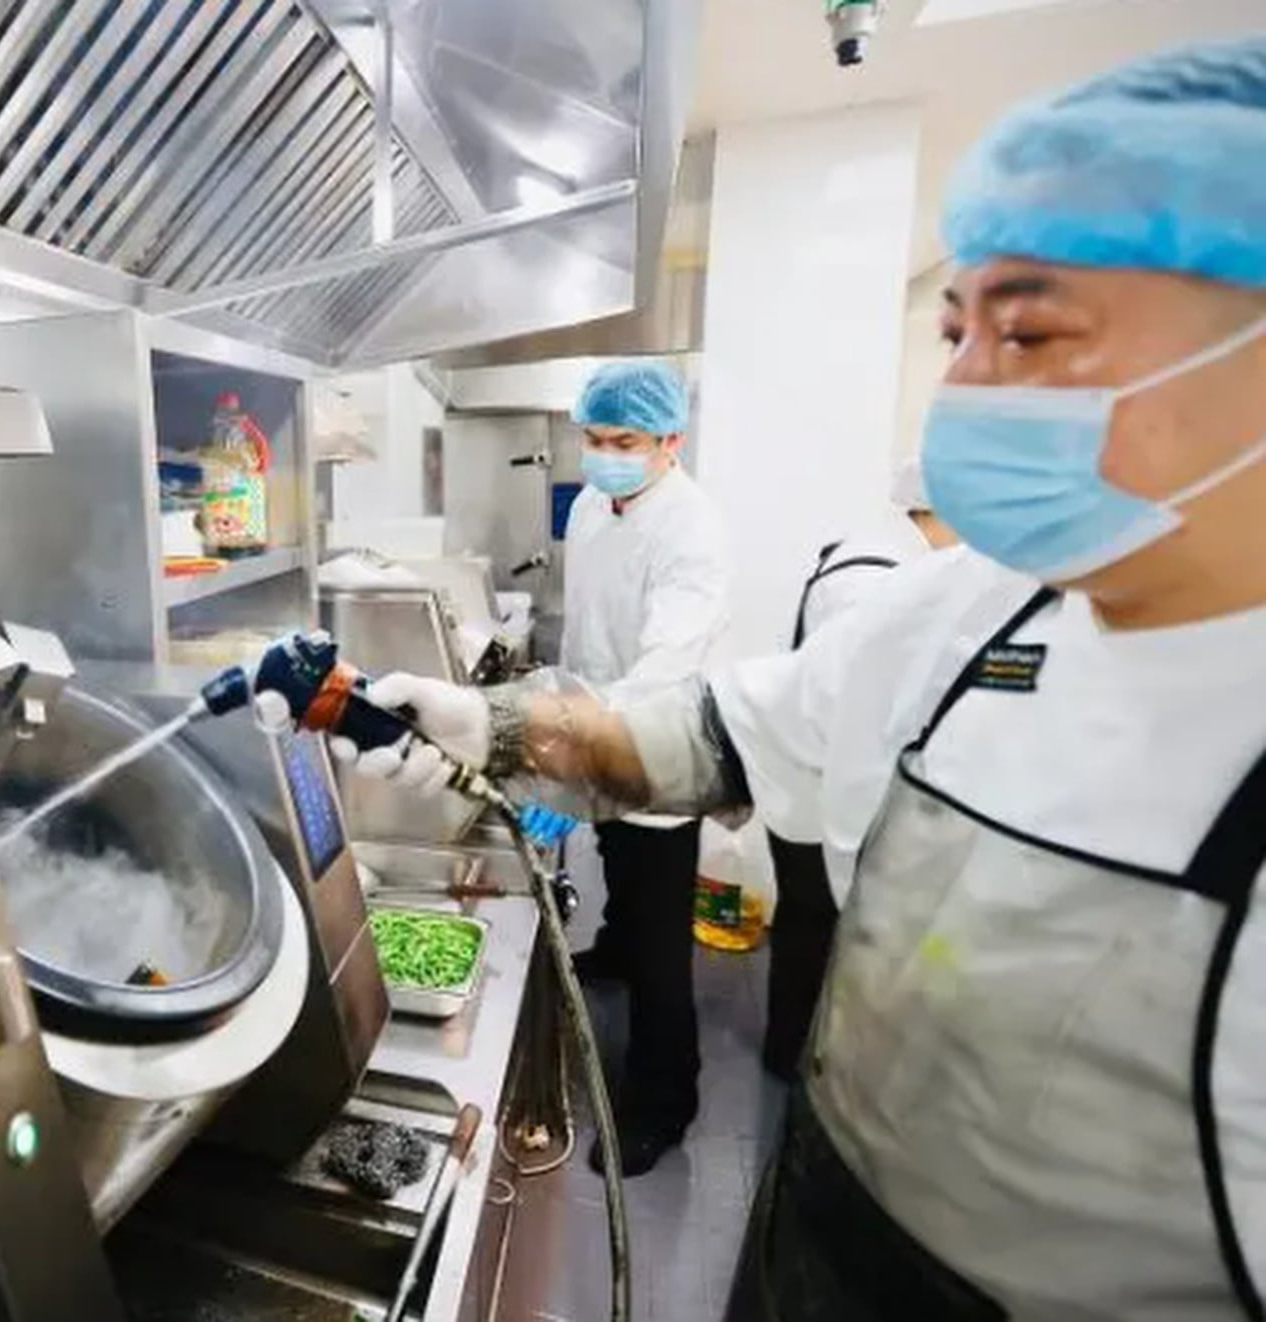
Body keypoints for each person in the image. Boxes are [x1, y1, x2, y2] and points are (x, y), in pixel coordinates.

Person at [329, 37, 1266, 1319]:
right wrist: (495, 720)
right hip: (811, 1247)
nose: (966, 387)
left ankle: (658, 1104)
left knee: (662, 964)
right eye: (959, 330)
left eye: (1031, 329)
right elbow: (707, 728)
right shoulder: (959, 608)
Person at [559, 358, 730, 1176]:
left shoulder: (690, 528)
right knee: (613, 859)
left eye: (621, 440)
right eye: (592, 439)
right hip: (597, 721)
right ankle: (612, 947)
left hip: (656, 740)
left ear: (670, 439)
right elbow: (585, 628)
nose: (603, 453)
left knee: (665, 932)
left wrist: (590, 744)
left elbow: (668, 658)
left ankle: (667, 1100)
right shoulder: (593, 504)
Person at [761, 461, 958, 1081]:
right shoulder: (874, 581)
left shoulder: (885, 560)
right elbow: (856, 714)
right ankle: (794, 1060)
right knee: (814, 933)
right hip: (821, 798)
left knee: (808, 927)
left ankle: (792, 1050)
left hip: (814, 790)